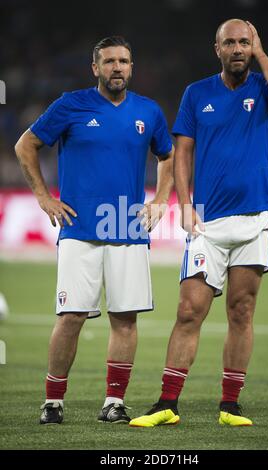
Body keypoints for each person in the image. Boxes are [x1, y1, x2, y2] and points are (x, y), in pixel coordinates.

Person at [129, 19, 268, 428]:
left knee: (242, 310)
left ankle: (230, 405)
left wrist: (260, 52)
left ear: (252, 45)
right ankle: (167, 403)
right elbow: (182, 152)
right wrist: (185, 204)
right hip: (209, 222)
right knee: (189, 309)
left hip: (255, 217)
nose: (238, 48)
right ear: (216, 48)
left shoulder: (263, 87)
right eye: (230, 43)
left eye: (244, 42)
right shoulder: (196, 93)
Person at [15, 36, 174, 425]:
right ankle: (53, 402)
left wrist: (160, 200)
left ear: (131, 67)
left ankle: (114, 402)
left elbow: (167, 156)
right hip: (78, 227)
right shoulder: (71, 104)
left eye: (123, 61)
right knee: (70, 316)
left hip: (127, 227)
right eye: (109, 62)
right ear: (95, 68)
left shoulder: (148, 111)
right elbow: (26, 145)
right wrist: (43, 196)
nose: (117, 67)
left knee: (125, 317)